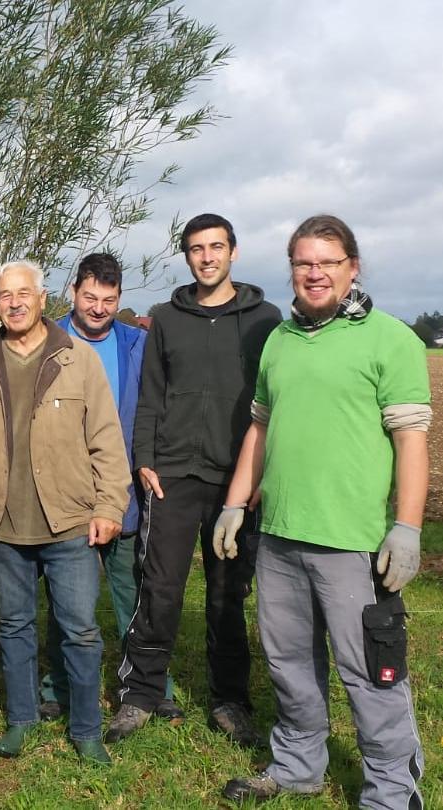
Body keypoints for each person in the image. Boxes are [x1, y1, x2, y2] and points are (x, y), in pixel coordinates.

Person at [214, 215, 429, 807]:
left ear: (352, 267)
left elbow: (411, 439)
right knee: (288, 662)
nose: (314, 273)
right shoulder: (280, 340)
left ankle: (391, 787)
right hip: (280, 536)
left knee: (369, 671)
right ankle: (297, 765)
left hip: (352, 542)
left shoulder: (391, 340)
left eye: (327, 262)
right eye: (303, 262)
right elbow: (260, 427)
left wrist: (406, 528)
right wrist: (236, 503)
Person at [107, 214, 280, 747]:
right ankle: (140, 693)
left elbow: (274, 402)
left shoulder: (264, 319)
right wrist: (144, 459)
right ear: (186, 256)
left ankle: (229, 700)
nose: (207, 257)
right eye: (196, 249)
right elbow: (150, 394)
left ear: (233, 252)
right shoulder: (166, 317)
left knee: (229, 592)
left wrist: (260, 474)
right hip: (172, 475)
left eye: (216, 247)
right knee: (159, 587)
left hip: (234, 478)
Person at [0, 259, 129, 763]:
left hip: (69, 520)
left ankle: (86, 728)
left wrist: (109, 504)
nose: (14, 302)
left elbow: (106, 440)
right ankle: (21, 719)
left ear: (42, 297)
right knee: (14, 624)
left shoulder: (77, 359)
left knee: (79, 628)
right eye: (5, 295)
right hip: (2, 523)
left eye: (23, 293)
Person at [40, 253, 172, 718]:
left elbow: (157, 406)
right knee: (67, 593)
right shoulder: (46, 340)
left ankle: (147, 683)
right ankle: (56, 685)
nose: (98, 308)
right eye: (90, 297)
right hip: (63, 490)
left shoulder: (136, 343)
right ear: (73, 292)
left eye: (109, 300)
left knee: (130, 589)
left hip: (121, 489)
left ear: (120, 300)